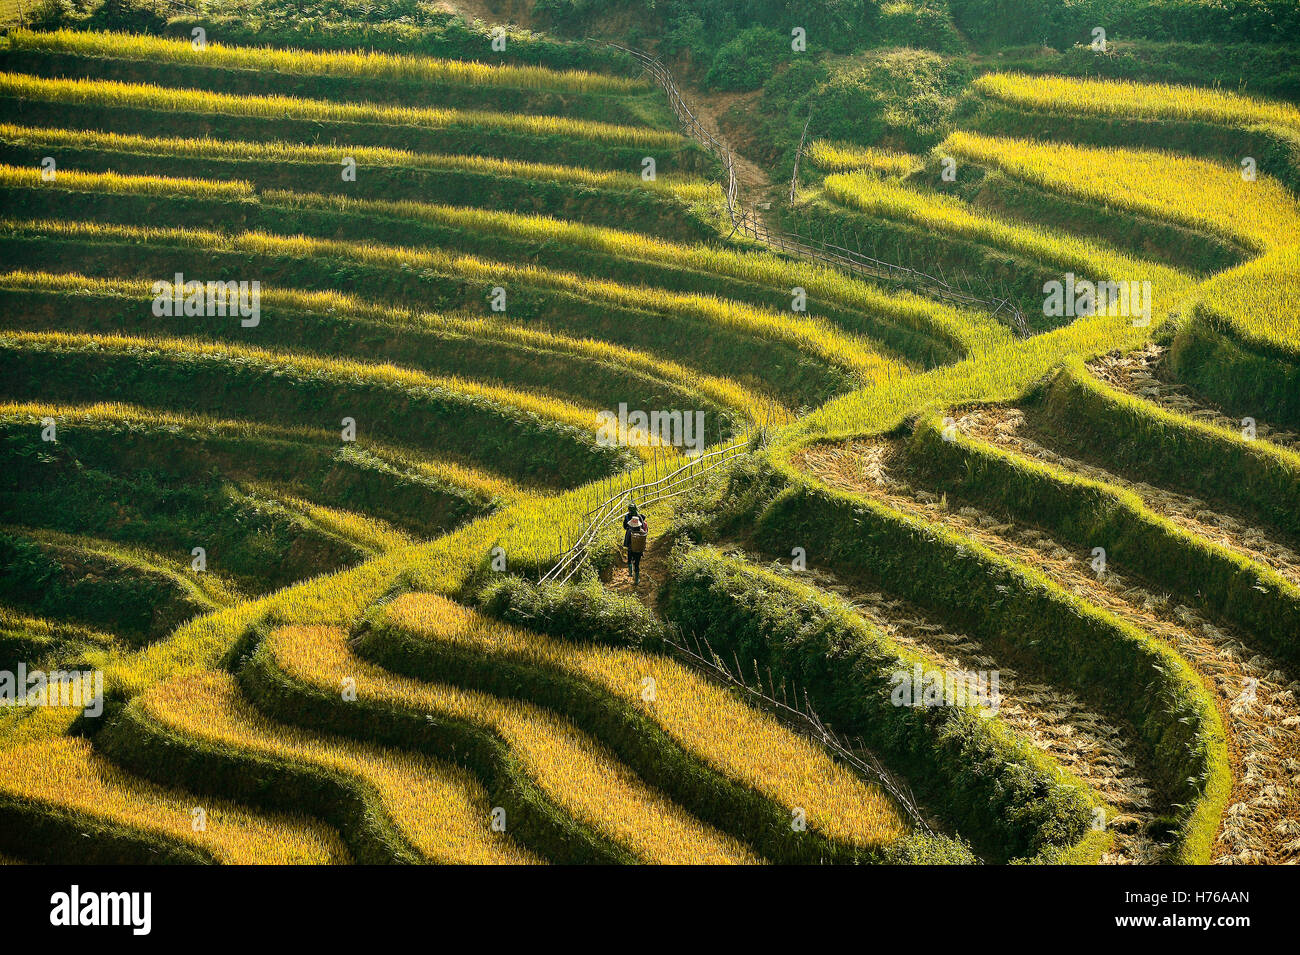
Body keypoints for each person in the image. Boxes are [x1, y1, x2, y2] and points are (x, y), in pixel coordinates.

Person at [623, 504, 649, 585]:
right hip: (638, 550)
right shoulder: (642, 532)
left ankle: (630, 573)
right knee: (637, 564)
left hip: (631, 549)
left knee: (629, 560)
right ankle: (636, 580)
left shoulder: (629, 532)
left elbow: (624, 527)